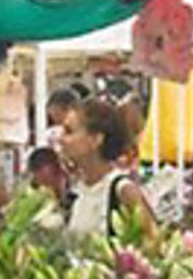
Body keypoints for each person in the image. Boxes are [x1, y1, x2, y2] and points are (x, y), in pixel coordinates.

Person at [60, 96, 156, 240]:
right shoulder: (77, 189)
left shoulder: (123, 190)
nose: (61, 139)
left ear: (95, 140)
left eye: (69, 131)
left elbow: (153, 242)